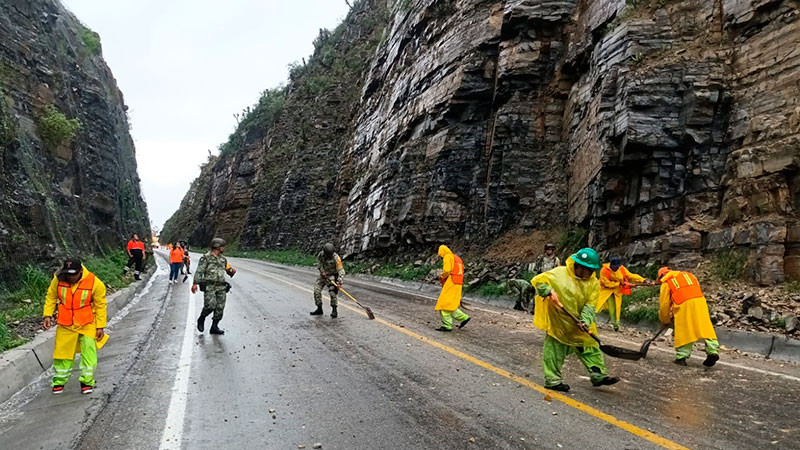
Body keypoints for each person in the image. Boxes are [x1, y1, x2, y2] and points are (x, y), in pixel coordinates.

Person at [531, 248, 619, 392]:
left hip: (579, 321)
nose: (592, 273)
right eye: (589, 270)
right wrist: (547, 290)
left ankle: (598, 375)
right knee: (555, 350)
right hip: (559, 321)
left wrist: (585, 321)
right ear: (579, 266)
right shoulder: (559, 274)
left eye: (593, 270)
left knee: (591, 346)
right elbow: (539, 281)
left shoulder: (594, 283)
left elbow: (590, 305)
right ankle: (553, 380)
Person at [42, 258, 109, 394]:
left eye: (73, 274)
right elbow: (51, 296)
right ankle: (59, 382)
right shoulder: (58, 279)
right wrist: (47, 315)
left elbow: (100, 305)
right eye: (68, 274)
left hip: (86, 322)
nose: (70, 277)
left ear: (80, 271)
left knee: (89, 352)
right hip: (66, 323)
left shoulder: (94, 282)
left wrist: (100, 326)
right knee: (62, 353)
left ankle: (87, 382)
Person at [657, 267, 719, 367]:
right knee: (705, 327)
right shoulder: (689, 275)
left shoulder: (667, 282)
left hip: (683, 304)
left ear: (662, 276)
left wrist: (665, 320)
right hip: (700, 302)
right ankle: (713, 351)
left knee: (685, 330)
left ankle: (682, 357)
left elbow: (664, 305)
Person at [192, 238, 236, 335]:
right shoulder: (206, 258)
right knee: (210, 306)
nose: (223, 248)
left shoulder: (223, 259)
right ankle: (202, 318)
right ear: (217, 246)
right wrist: (195, 283)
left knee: (220, 308)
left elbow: (228, 270)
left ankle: (214, 327)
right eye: (222, 246)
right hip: (210, 286)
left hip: (221, 287)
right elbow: (199, 271)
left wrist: (231, 271)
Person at [595, 257, 647, 331]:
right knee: (597, 304)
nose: (616, 268)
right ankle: (589, 320)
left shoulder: (622, 269)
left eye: (617, 267)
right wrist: (619, 284)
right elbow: (606, 283)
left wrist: (642, 280)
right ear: (611, 265)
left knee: (615, 308)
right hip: (605, 290)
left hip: (616, 291)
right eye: (615, 267)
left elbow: (631, 276)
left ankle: (616, 325)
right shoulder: (604, 270)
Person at [434, 245, 470, 332]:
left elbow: (447, 270)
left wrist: (441, 276)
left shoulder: (447, 257)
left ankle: (447, 325)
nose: (441, 257)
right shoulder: (457, 258)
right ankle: (463, 318)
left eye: (440, 255)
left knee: (443, 304)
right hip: (458, 283)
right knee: (451, 304)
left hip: (451, 282)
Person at [310, 243, 346, 318]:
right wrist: (322, 271)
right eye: (328, 254)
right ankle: (319, 309)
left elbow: (341, 271)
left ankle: (334, 310)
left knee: (332, 292)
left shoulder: (336, 258)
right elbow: (319, 263)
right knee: (316, 290)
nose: (329, 255)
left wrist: (339, 282)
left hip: (332, 276)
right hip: (323, 275)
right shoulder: (321, 254)